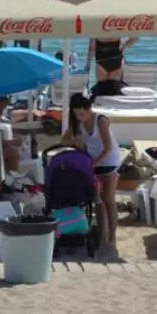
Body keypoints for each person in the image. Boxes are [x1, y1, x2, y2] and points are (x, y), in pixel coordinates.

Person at [62, 93, 122, 251]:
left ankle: (112, 237)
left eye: (82, 114)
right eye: (77, 115)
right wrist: (75, 142)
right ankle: (102, 236)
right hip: (92, 162)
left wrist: (93, 163)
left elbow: (108, 148)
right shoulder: (78, 123)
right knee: (98, 201)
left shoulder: (101, 120)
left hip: (109, 160)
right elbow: (63, 139)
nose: (80, 118)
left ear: (89, 109)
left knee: (108, 199)